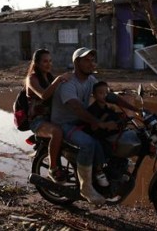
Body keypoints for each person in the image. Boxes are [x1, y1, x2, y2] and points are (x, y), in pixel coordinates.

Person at [50, 47, 116, 204]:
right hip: (65, 123)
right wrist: (97, 122)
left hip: (81, 121)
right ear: (76, 62)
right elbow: (77, 108)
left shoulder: (91, 80)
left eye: (92, 60)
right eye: (86, 60)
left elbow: (107, 95)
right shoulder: (68, 83)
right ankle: (85, 187)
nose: (91, 63)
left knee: (113, 136)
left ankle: (104, 171)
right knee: (88, 143)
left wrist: (132, 110)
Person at [25, 48, 72, 183]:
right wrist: (58, 80)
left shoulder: (49, 76)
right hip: (37, 121)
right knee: (57, 132)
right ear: (37, 63)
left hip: (53, 117)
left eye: (50, 61)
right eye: (45, 61)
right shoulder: (31, 79)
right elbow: (44, 95)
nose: (48, 64)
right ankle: (52, 169)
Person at [85, 80, 140, 184]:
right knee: (99, 146)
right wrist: (106, 122)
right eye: (101, 93)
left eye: (106, 92)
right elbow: (93, 127)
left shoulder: (108, 107)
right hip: (96, 136)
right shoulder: (93, 109)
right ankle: (99, 171)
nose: (104, 95)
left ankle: (121, 169)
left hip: (107, 135)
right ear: (94, 95)